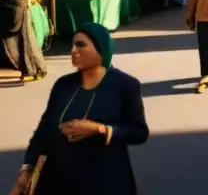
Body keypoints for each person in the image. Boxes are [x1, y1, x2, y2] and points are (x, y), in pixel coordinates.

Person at [12, 23, 148, 194]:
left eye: (81, 45)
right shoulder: (63, 85)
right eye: (73, 45)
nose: (74, 51)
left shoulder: (125, 85)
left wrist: (99, 129)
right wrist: (27, 169)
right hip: (59, 181)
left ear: (101, 49)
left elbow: (139, 132)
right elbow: (44, 130)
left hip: (105, 181)